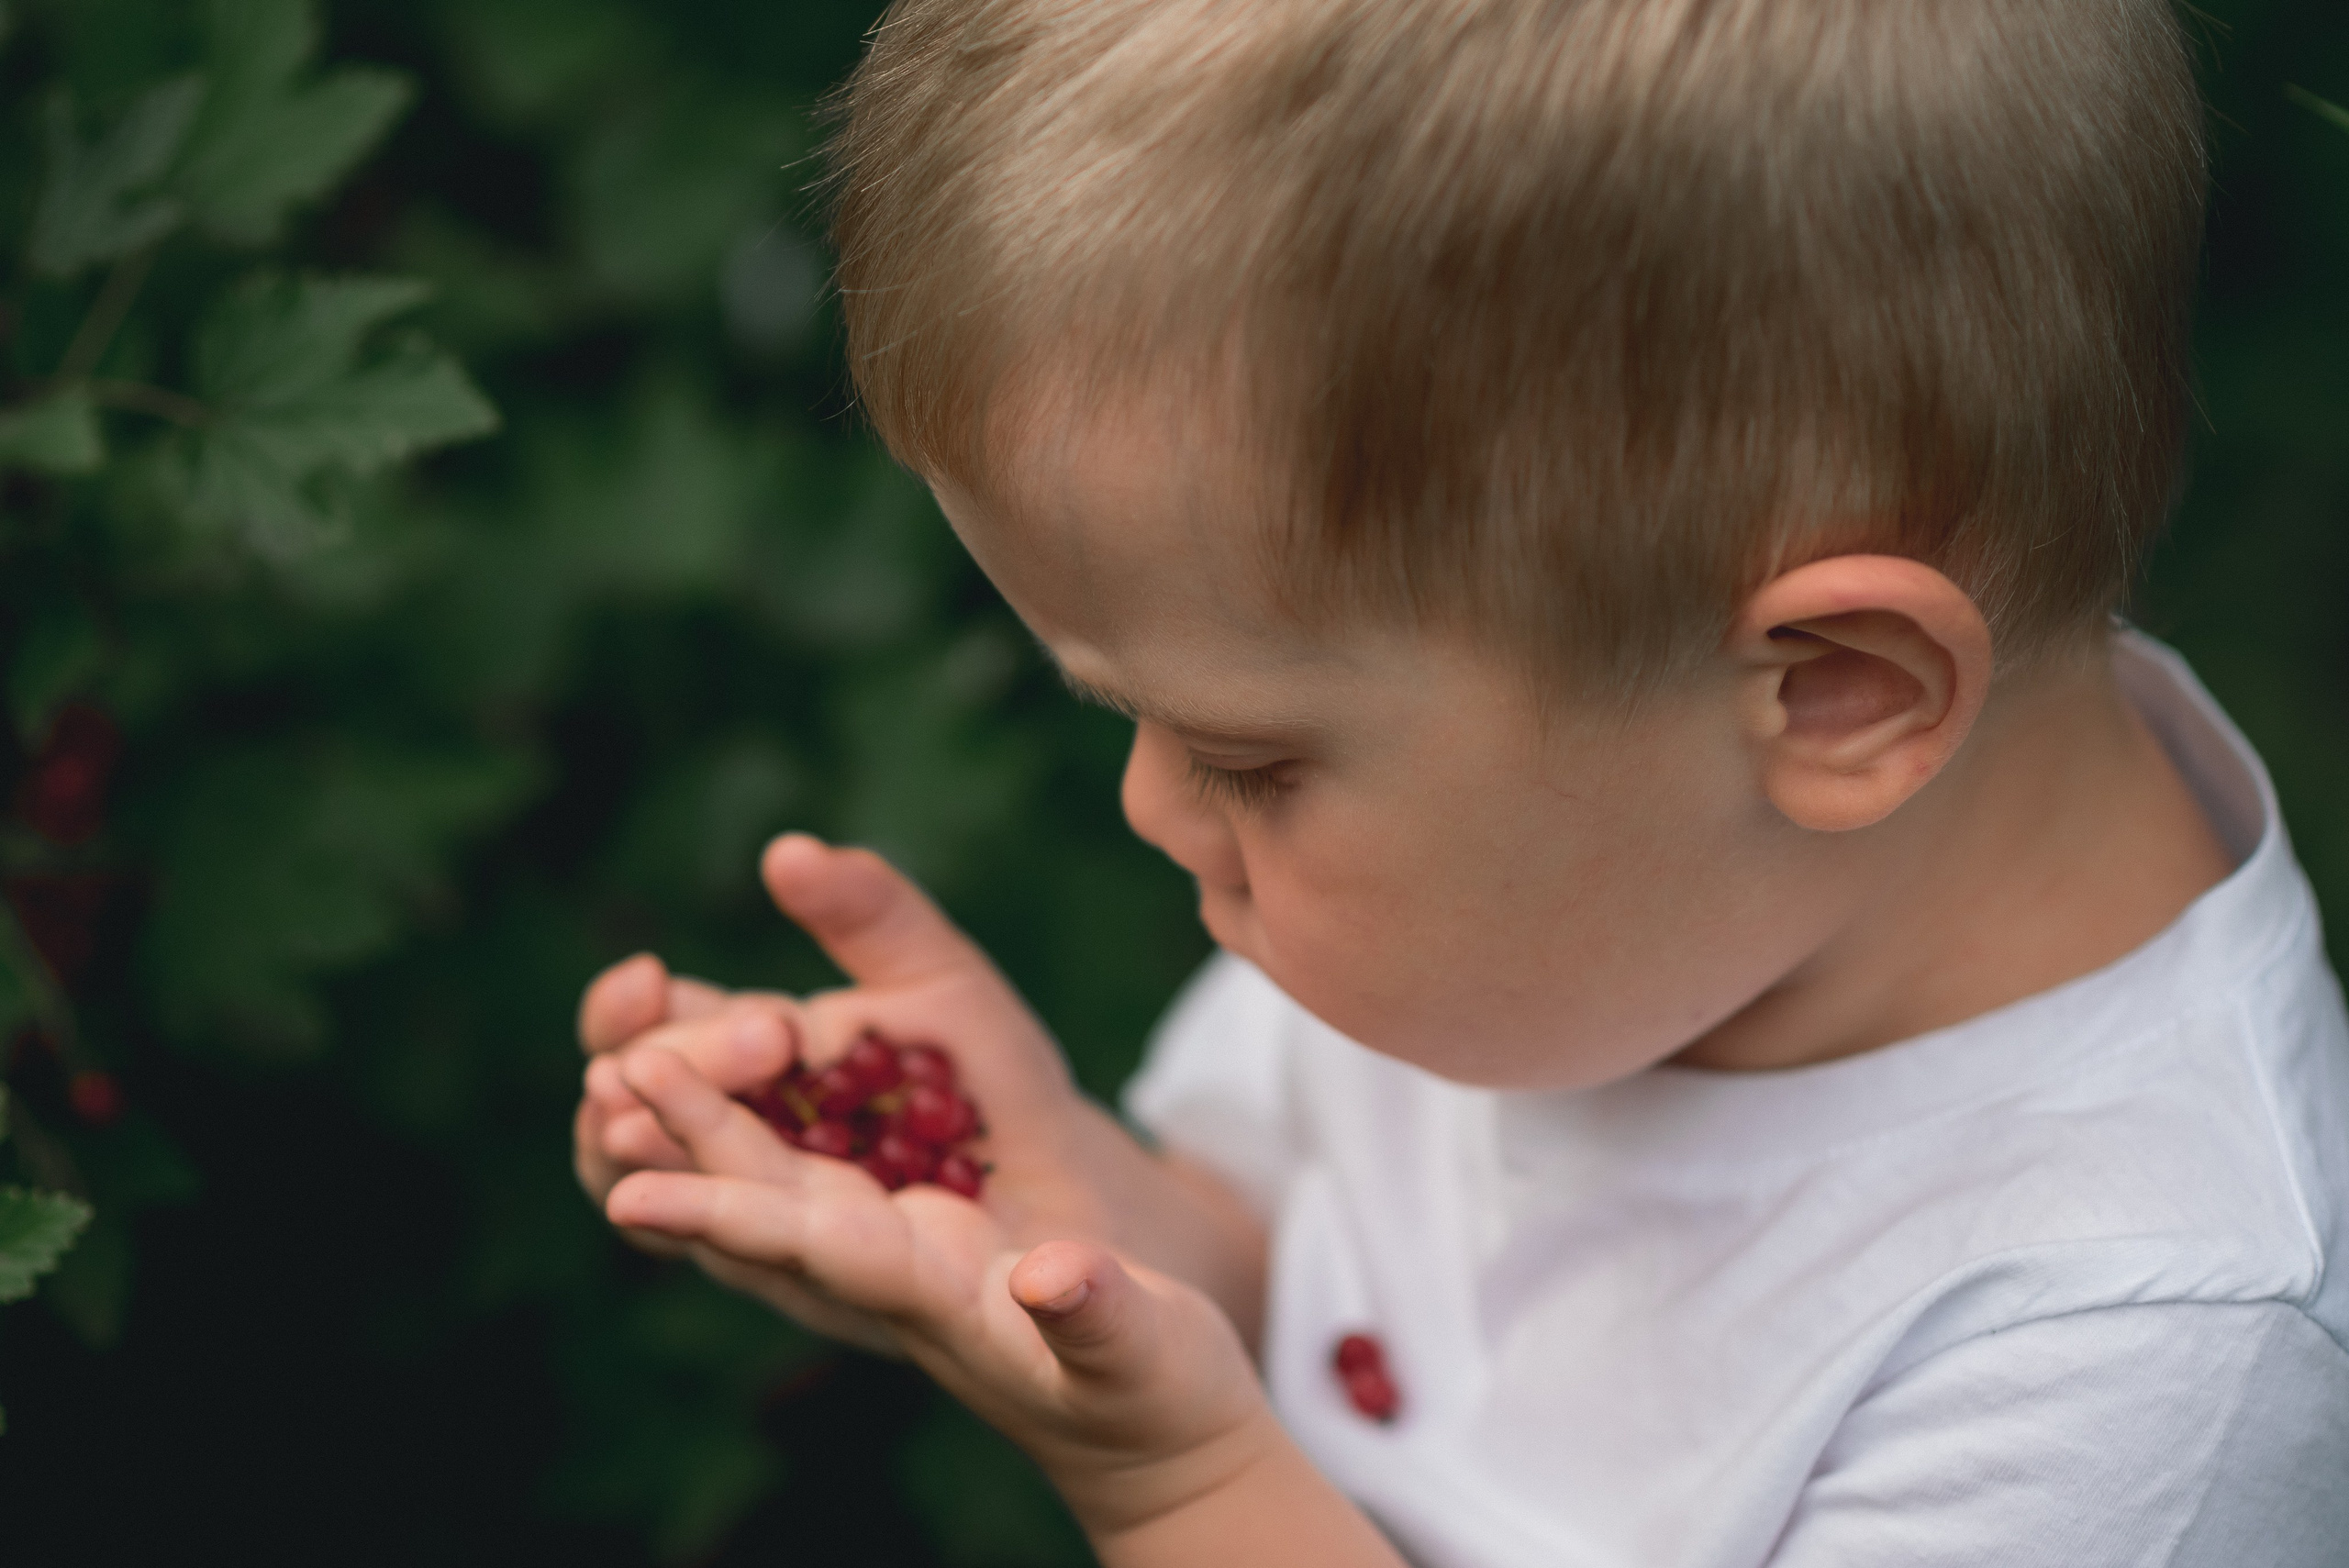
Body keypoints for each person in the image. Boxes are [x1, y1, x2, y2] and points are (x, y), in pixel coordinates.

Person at [570, 1, 2349, 1562]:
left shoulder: (2129, 1355)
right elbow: (1319, 1295)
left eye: (1245, 756)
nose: (1153, 812)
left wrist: (1175, 1497)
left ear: (1829, 699)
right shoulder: (1581, 880)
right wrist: (1078, 1232)